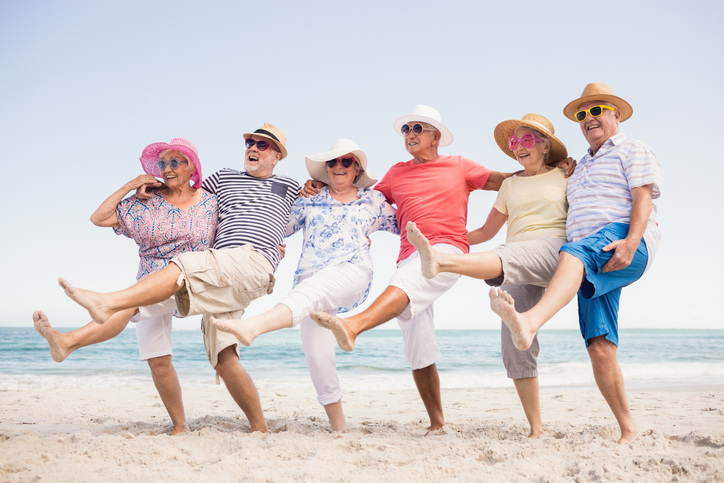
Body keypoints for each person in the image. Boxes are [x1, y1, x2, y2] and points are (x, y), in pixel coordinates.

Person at [59, 123, 301, 433]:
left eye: (262, 145)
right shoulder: (222, 181)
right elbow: (183, 192)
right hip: (213, 273)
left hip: (235, 265)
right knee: (224, 359)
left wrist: (276, 244)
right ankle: (258, 429)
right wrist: (147, 187)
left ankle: (106, 302)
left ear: (277, 155)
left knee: (177, 269)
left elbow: (309, 213)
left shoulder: (291, 187)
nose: (253, 148)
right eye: (249, 142)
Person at [306, 105, 511, 432]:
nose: (411, 134)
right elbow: (357, 196)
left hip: (446, 250)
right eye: (406, 129)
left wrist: (548, 168)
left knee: (406, 283)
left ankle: (354, 326)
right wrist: (317, 186)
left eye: (418, 128)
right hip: (410, 254)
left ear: (436, 136)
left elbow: (506, 181)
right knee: (418, 342)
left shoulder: (459, 166)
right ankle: (437, 423)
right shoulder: (397, 173)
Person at [489, 83, 664, 444]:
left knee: (569, 252)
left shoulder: (633, 148)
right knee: (599, 346)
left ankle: (530, 322)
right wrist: (563, 165)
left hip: (616, 240)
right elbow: (544, 179)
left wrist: (632, 242)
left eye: (597, 110)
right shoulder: (579, 164)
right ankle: (629, 430)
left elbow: (642, 196)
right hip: (592, 260)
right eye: (582, 115)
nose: (589, 118)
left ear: (616, 114)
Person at [211, 139, 399, 431]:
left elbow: (406, 223)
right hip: (308, 280)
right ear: (326, 169)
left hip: (353, 271)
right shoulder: (310, 199)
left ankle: (254, 327)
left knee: (311, 291)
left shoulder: (371, 201)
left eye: (346, 162)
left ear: (357, 169)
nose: (338, 166)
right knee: (317, 357)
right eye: (332, 162)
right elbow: (275, 227)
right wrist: (271, 246)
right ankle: (340, 428)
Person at [33, 138, 217, 435]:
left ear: (192, 166)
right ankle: (180, 426)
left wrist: (273, 245)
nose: (166, 169)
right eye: (162, 164)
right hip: (147, 283)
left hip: (194, 279)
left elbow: (238, 224)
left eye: (174, 162)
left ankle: (71, 340)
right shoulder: (147, 202)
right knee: (158, 361)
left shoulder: (211, 201)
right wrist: (131, 185)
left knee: (127, 303)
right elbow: (99, 217)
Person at [406, 113, 569, 438]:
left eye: (527, 140)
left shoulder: (566, 177)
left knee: (503, 256)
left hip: (553, 251)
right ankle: (536, 429)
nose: (518, 147)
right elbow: (485, 230)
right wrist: (448, 238)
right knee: (516, 341)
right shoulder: (509, 185)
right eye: (514, 141)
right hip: (515, 260)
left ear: (545, 146)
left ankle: (441, 262)